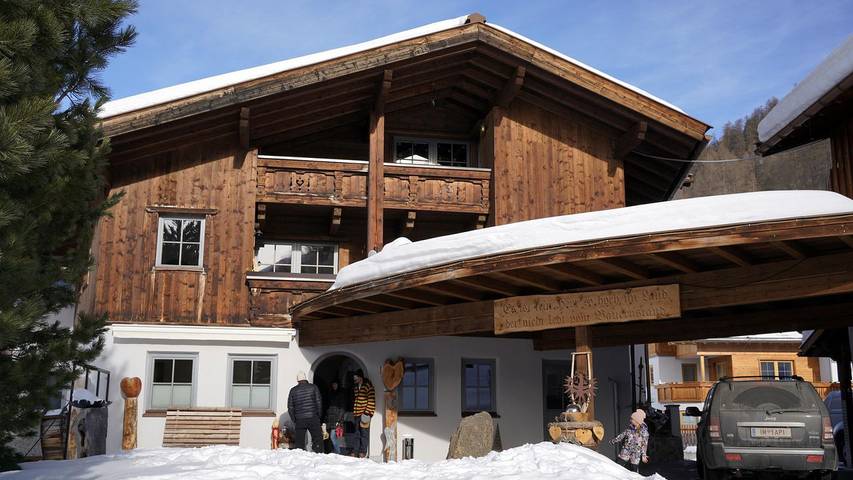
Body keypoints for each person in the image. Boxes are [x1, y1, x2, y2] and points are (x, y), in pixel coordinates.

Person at [287, 371, 323, 453]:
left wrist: (294, 419)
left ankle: (300, 457)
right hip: (313, 417)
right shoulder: (313, 387)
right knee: (317, 438)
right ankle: (318, 454)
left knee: (299, 441)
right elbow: (319, 403)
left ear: (297, 380)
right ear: (305, 378)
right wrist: (318, 416)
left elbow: (290, 407)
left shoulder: (293, 390)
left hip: (300, 419)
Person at [351, 369, 375, 458]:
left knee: (364, 434)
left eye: (355, 377)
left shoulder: (368, 386)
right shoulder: (355, 387)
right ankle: (355, 451)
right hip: (357, 414)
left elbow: (372, 400)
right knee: (356, 434)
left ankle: (363, 452)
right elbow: (356, 400)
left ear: (360, 377)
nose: (354, 379)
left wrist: (367, 413)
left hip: (364, 414)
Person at [325, 380, 347, 454]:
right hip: (330, 419)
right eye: (333, 384)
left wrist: (339, 419)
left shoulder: (341, 394)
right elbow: (328, 407)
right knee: (333, 436)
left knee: (333, 436)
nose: (334, 386)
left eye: (335, 384)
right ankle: (336, 450)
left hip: (337, 419)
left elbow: (342, 408)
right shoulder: (330, 394)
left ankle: (338, 451)